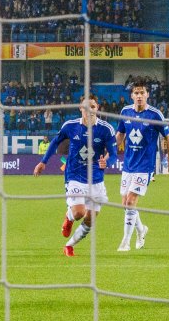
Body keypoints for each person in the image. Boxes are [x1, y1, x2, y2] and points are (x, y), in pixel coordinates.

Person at [34, 96, 117, 258]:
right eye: (85, 107)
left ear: (97, 107)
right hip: (74, 176)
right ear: (80, 109)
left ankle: (69, 246)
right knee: (79, 212)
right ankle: (69, 217)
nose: (89, 110)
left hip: (96, 179)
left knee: (90, 219)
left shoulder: (106, 129)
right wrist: (43, 162)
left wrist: (106, 162)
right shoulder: (71, 126)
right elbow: (55, 143)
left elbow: (113, 154)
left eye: (92, 106)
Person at [115, 80, 169, 252]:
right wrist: (108, 149)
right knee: (126, 203)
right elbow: (120, 136)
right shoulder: (125, 112)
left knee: (130, 201)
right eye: (136, 93)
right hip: (128, 165)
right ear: (132, 95)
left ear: (147, 95)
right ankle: (141, 230)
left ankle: (125, 242)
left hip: (145, 166)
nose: (139, 96)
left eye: (142, 93)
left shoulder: (155, 115)